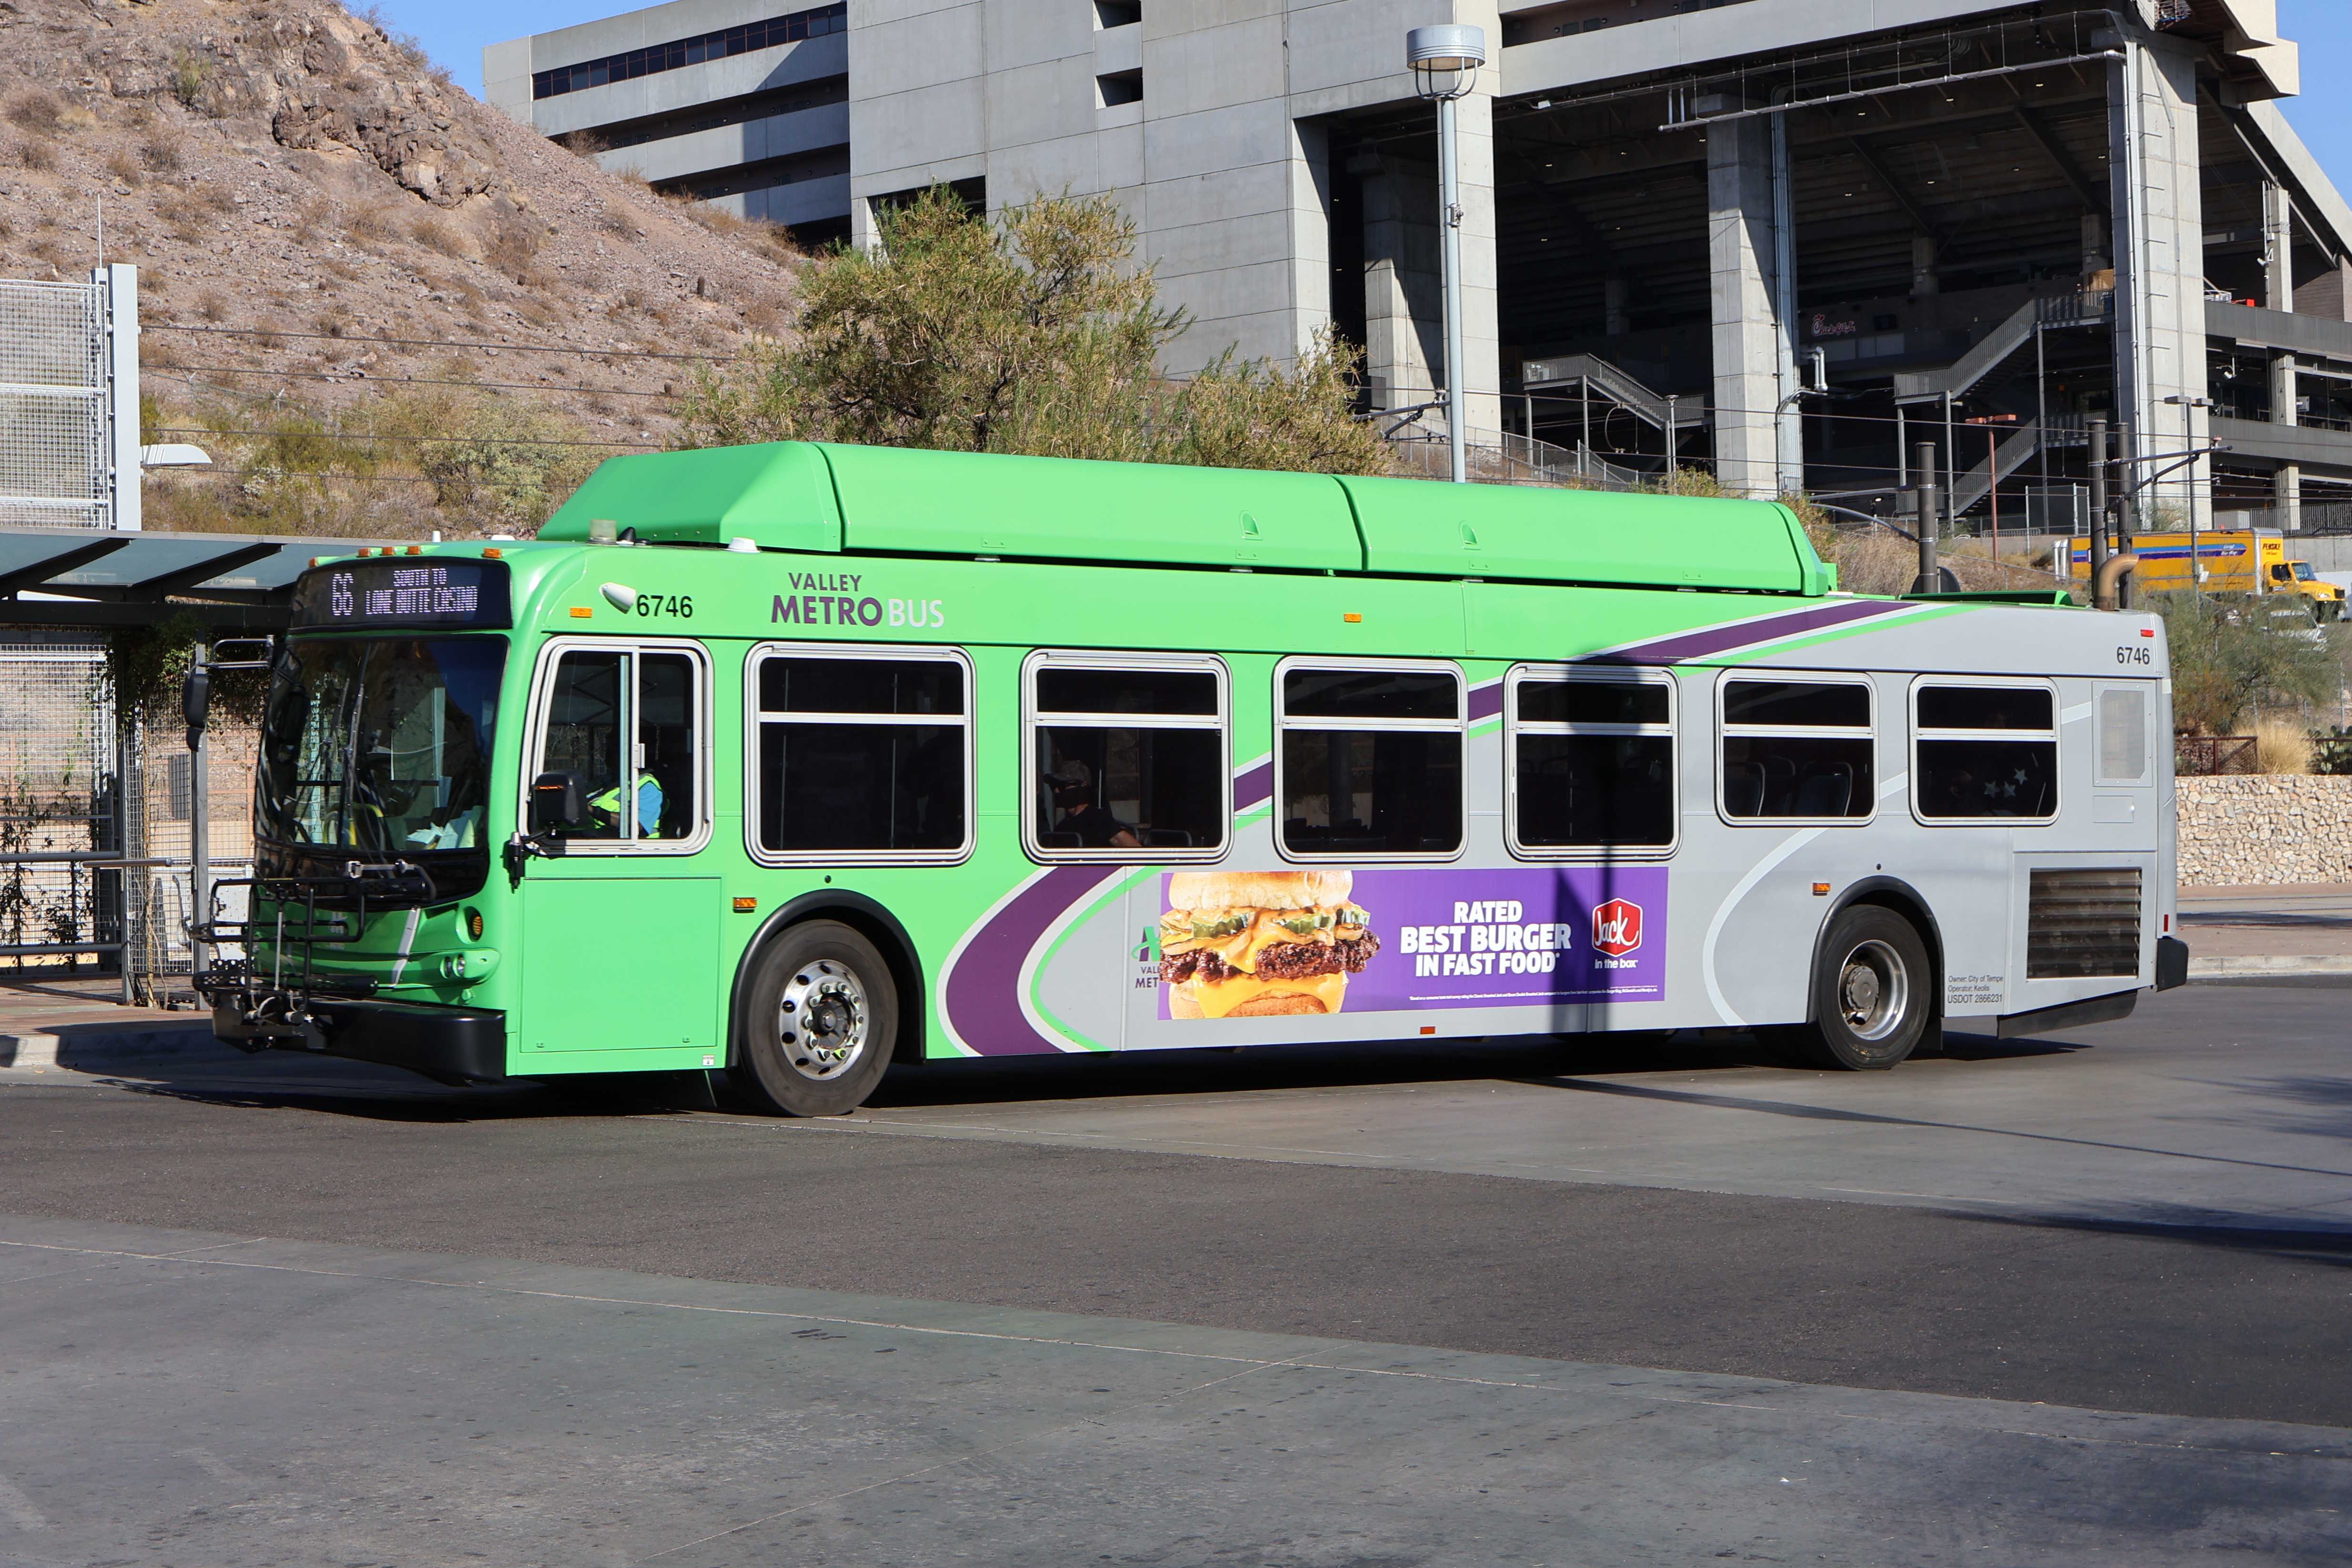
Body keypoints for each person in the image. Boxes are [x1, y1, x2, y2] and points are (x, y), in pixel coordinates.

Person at [1049, 758, 1138, 849]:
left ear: (1082, 786)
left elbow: (1135, 850)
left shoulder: (1098, 819)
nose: (1056, 791)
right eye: (1054, 786)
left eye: (1062, 786)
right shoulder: (1061, 827)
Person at [588, 771, 665, 839]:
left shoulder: (648, 786)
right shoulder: (608, 780)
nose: (608, 759)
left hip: (633, 851)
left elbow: (636, 826)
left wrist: (592, 810)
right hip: (594, 840)